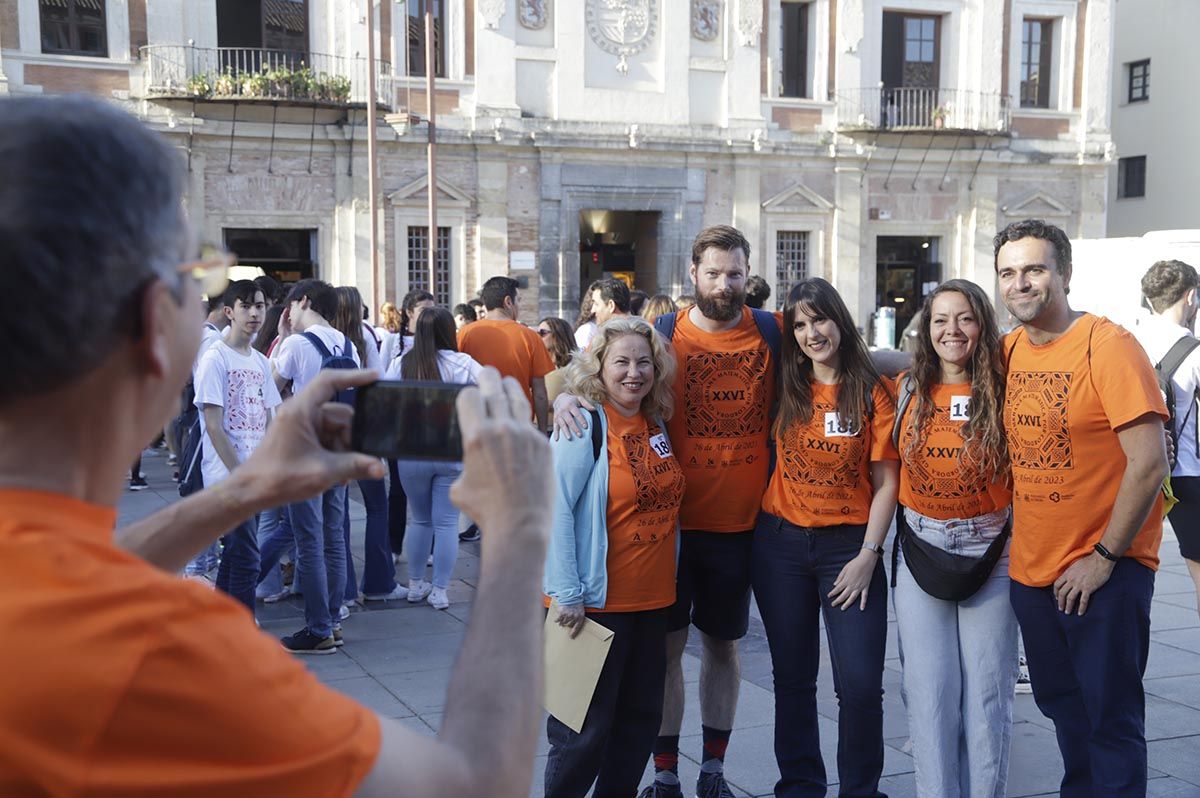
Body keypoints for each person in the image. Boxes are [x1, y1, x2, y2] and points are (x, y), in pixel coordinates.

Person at [0, 94, 553, 798]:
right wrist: (520, 533)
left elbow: (71, 589)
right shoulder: (156, 650)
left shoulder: (55, 598)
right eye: (197, 276)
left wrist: (243, 490)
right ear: (152, 325)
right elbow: (471, 787)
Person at [558, 225, 779, 798]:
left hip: (737, 530)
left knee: (721, 649)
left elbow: (848, 353)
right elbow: (576, 375)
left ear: (746, 275)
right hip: (665, 542)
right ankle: (663, 773)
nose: (725, 285)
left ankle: (712, 768)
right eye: (714, 273)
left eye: (735, 274)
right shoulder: (660, 333)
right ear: (693, 274)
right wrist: (562, 395)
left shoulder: (771, 332)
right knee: (652, 665)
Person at [995, 219, 1169, 796]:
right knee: (1064, 713)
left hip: (1104, 571)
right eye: (1008, 273)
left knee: (1111, 723)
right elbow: (935, 371)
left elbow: (1149, 464)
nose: (1020, 284)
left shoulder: (1108, 344)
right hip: (1034, 572)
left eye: (1034, 269)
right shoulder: (1008, 350)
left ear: (1065, 274)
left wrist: (1103, 558)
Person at [751, 277, 898, 797]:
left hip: (850, 548)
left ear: (839, 319)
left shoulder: (871, 391)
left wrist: (868, 555)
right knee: (792, 681)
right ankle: (800, 786)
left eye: (820, 319)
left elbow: (886, 484)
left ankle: (861, 790)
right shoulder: (782, 385)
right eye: (800, 324)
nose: (812, 333)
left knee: (859, 687)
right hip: (780, 547)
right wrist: (566, 399)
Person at [543, 317, 685, 797]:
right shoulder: (582, 421)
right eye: (621, 361)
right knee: (582, 734)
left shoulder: (655, 421)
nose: (633, 372)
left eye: (643, 362)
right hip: (595, 606)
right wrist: (567, 593)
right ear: (599, 367)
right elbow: (555, 510)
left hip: (652, 602)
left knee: (637, 727)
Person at [892, 279, 1018, 797]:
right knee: (930, 695)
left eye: (964, 318)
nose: (952, 330)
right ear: (927, 328)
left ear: (982, 324)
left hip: (992, 549)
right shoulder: (905, 387)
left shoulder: (1007, 387)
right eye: (941, 319)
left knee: (988, 697)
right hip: (921, 548)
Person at [268, 278, 362, 653]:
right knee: (334, 538)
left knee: (309, 540)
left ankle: (318, 627)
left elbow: (269, 389)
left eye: (291, 305)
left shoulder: (294, 344)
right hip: (337, 449)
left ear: (303, 301)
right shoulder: (348, 343)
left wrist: (279, 339)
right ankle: (334, 621)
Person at [194, 279, 283, 612]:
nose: (254, 313)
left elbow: (271, 418)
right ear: (229, 312)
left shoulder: (260, 361)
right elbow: (214, 426)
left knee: (236, 553)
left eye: (260, 306)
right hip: (227, 478)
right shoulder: (215, 358)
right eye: (246, 306)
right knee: (248, 557)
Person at [387, 307, 482, 609]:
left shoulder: (401, 363)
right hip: (451, 450)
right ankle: (440, 590)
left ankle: (415, 584)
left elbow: (386, 402)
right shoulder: (463, 363)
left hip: (411, 451)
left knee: (420, 519)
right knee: (446, 523)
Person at [1132, 259, 1200, 617]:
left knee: (1132, 567)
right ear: (1189, 297)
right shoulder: (1195, 351)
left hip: (1136, 473)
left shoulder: (1127, 342)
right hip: (1187, 475)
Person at [334, 286, 397, 604]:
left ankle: (342, 590)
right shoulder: (363, 336)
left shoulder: (325, 337)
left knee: (338, 512)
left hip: (333, 430)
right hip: (366, 431)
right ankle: (378, 583)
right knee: (376, 506)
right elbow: (380, 382)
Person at [458, 276, 555, 433]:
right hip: (517, 426)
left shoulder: (464, 334)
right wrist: (543, 431)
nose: (520, 305)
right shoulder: (530, 337)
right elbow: (539, 393)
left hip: (475, 423)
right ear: (508, 302)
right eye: (519, 300)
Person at [381, 289, 435, 368]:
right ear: (409, 313)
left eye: (432, 310)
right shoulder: (391, 341)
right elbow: (381, 371)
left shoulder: (435, 340)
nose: (429, 314)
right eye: (423, 310)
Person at [538, 316, 578, 404]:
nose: (537, 337)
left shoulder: (575, 369)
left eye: (542, 333)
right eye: (536, 333)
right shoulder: (539, 366)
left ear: (558, 335)